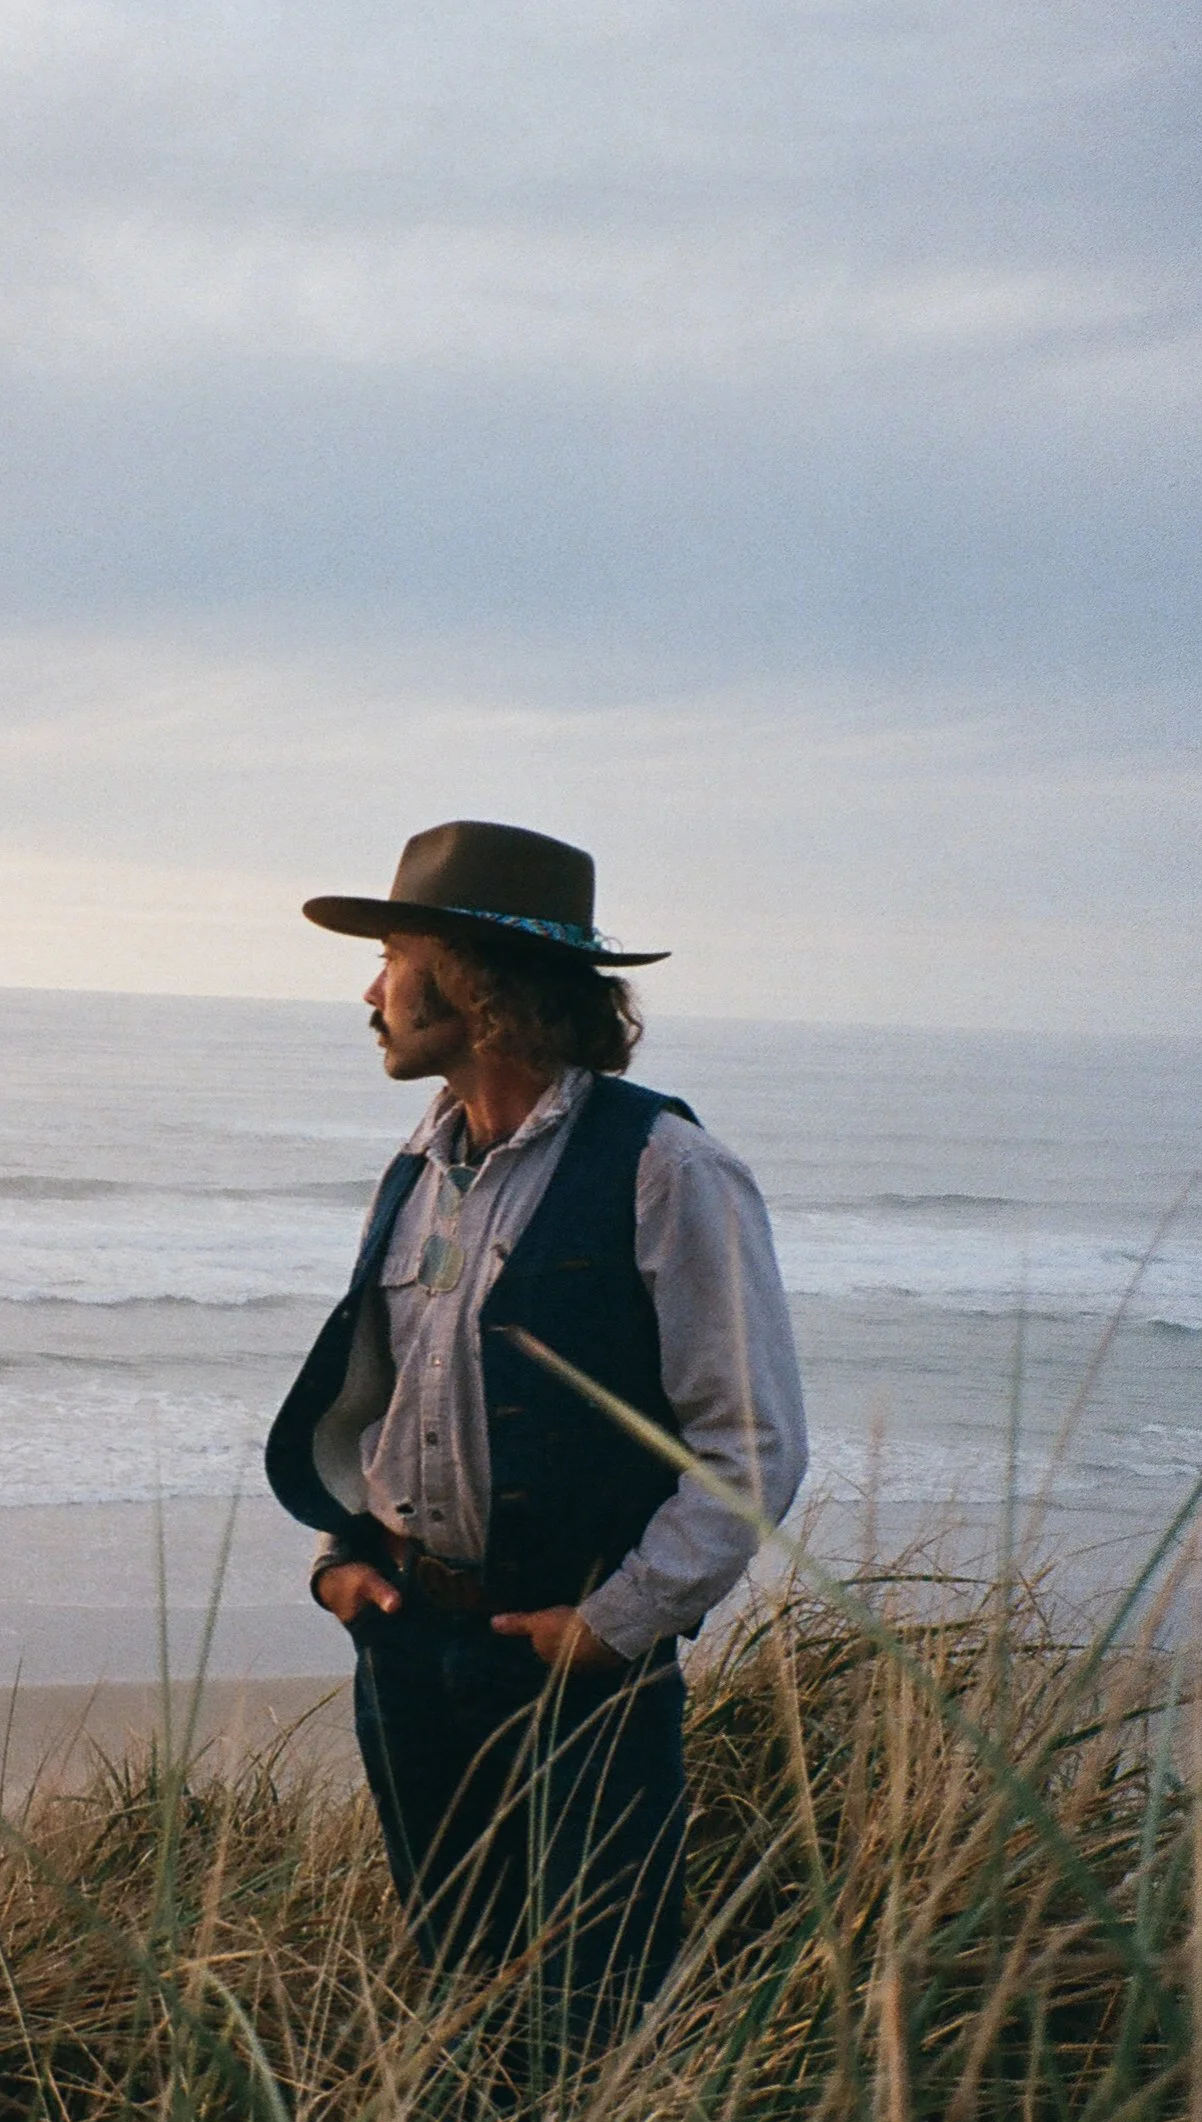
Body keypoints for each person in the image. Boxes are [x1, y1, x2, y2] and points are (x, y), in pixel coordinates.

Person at [266, 820, 807, 2053]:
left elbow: (753, 1446)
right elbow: (395, 1398)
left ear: (468, 976)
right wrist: (343, 1556)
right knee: (458, 1985)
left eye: (392, 957)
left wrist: (613, 1627)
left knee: (595, 2010)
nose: (369, 992)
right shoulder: (417, 1167)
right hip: (406, 1644)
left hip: (574, 1666)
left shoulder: (666, 1166)